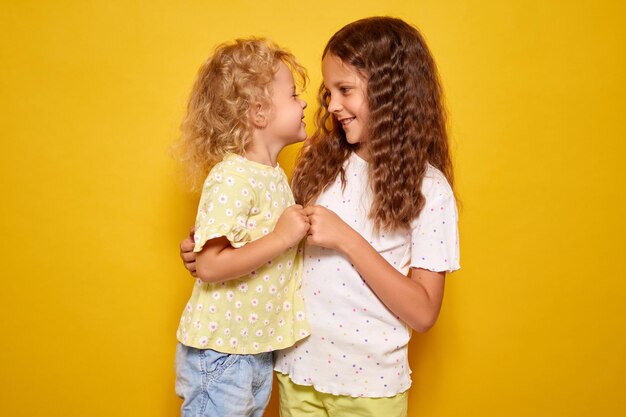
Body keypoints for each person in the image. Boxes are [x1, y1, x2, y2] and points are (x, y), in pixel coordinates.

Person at [180, 16, 460, 417]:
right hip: (295, 372)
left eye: (345, 90)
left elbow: (424, 312)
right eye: (329, 92)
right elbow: (272, 240)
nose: (332, 105)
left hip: (371, 387)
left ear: (392, 92)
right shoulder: (317, 161)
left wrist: (347, 238)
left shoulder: (429, 190)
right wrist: (209, 252)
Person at [173, 38, 311, 417]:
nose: (303, 103)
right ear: (259, 112)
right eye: (294, 95)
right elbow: (211, 266)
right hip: (223, 353)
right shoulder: (233, 176)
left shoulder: (272, 176)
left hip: (253, 348)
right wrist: (281, 237)